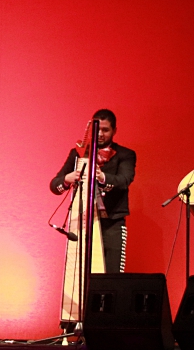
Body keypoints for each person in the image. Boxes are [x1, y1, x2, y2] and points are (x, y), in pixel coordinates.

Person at [49, 109, 137, 272]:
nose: (101, 134)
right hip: (83, 223)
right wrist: (67, 180)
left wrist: (102, 176)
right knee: (81, 274)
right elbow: (54, 185)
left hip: (112, 223)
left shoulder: (125, 155)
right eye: (98, 130)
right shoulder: (78, 153)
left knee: (112, 277)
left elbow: (124, 181)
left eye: (106, 130)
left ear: (114, 131)